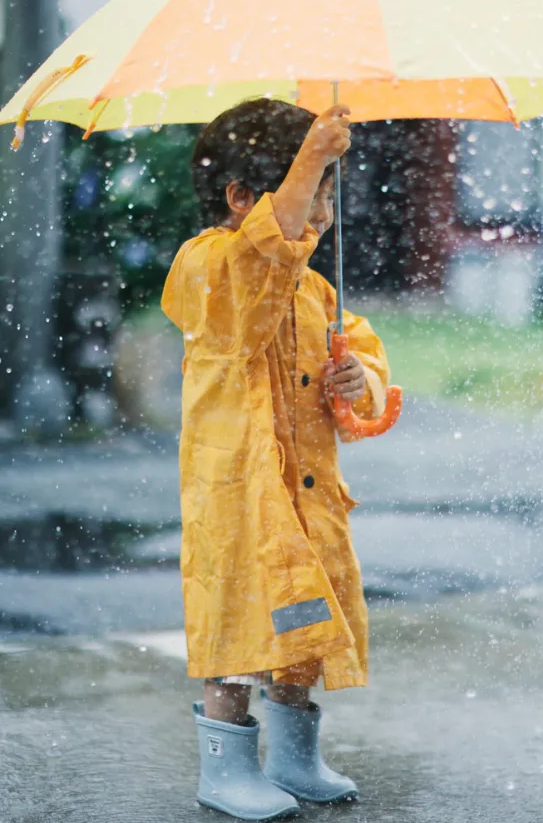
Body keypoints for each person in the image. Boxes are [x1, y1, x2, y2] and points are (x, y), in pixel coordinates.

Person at [161, 98, 392, 821]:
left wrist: (359, 379)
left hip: (305, 497)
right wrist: (314, 151)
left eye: (329, 195)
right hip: (238, 496)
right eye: (314, 191)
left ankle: (292, 756)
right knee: (235, 625)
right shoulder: (206, 265)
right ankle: (225, 765)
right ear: (240, 197)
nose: (323, 213)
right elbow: (263, 256)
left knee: (302, 625)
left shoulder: (314, 288)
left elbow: (364, 355)